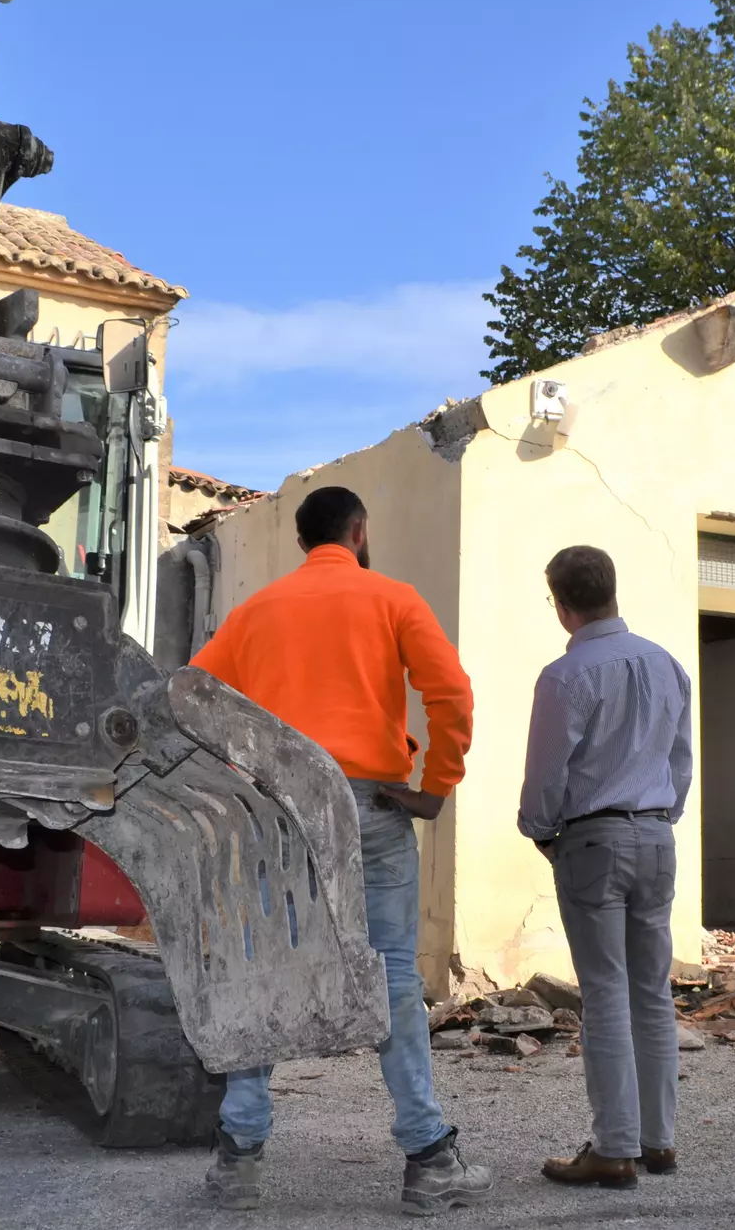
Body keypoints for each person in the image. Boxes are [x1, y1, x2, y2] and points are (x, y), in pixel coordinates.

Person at [189, 485, 491, 1216]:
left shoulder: (256, 612)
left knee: (263, 975)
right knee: (389, 978)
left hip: (277, 811)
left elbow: (191, 699)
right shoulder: (392, 598)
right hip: (371, 807)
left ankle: (240, 1163)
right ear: (359, 530)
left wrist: (238, 785)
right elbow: (450, 692)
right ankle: (427, 1158)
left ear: (302, 543)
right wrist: (437, 783)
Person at [518, 545, 693, 1189]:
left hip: (593, 838)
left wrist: (541, 831)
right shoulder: (668, 664)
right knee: (652, 990)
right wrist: (659, 818)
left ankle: (613, 1146)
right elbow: (681, 763)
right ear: (613, 591)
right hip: (654, 834)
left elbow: (547, 773)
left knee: (605, 991)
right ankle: (659, 1140)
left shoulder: (566, 675)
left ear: (562, 607)